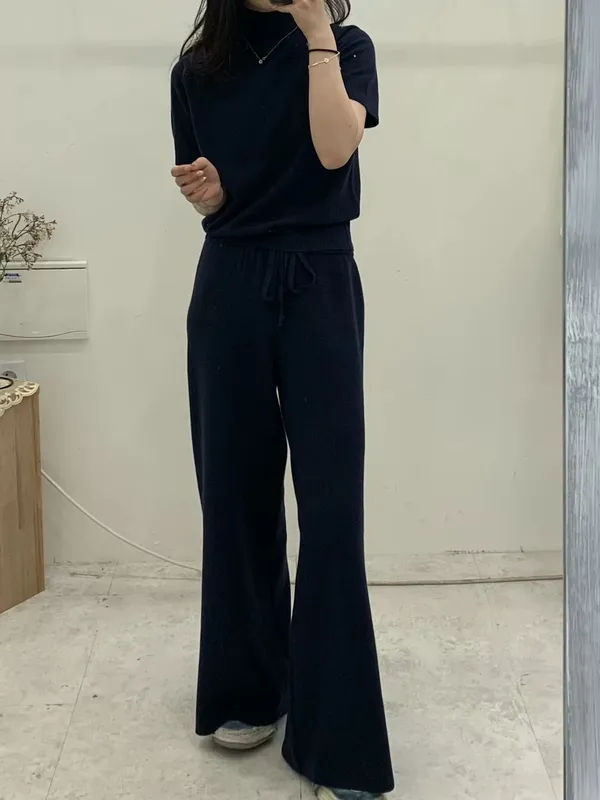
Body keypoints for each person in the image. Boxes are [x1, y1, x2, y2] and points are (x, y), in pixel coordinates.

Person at [170, 1, 394, 797]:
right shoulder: (197, 68)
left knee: (331, 509)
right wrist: (208, 196)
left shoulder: (347, 45)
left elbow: (334, 149)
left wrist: (316, 33)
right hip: (229, 281)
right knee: (235, 494)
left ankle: (338, 737)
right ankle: (247, 687)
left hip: (319, 280)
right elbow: (210, 192)